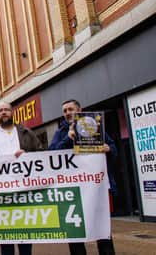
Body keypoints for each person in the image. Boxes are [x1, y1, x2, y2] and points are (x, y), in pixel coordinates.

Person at [49, 99, 117, 255]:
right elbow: (52, 154)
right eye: (64, 110)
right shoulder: (60, 132)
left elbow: (113, 148)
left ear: (79, 110)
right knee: (75, 232)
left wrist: (109, 148)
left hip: (96, 188)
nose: (67, 113)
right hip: (72, 191)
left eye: (70, 109)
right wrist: (68, 138)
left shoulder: (94, 126)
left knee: (103, 230)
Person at [0, 101, 43, 255]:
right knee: (5, 232)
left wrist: (27, 155)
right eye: (1, 111)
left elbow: (40, 154)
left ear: (12, 113)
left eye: (7, 110)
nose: (4, 112)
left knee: (25, 231)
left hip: (24, 189)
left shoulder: (26, 132)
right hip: (1, 192)